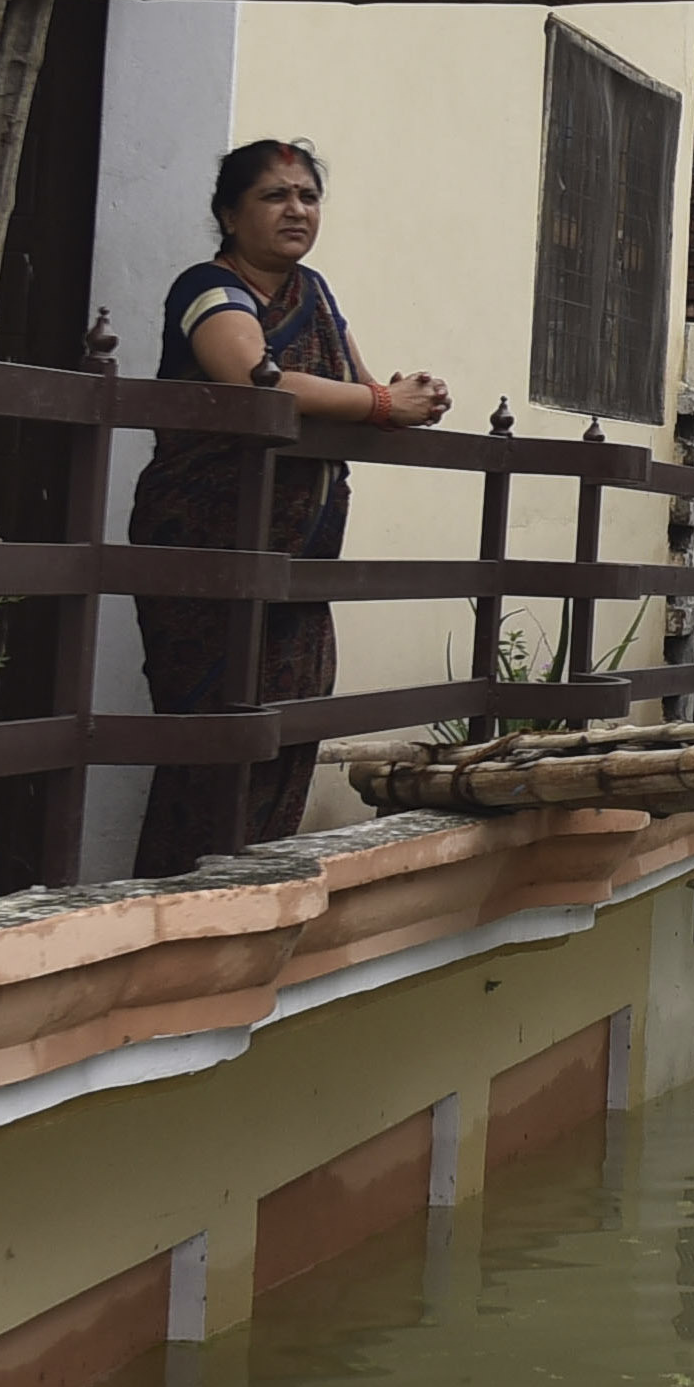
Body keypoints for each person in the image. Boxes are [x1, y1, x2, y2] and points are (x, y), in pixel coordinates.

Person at [127, 140, 449, 876]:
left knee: (289, 718)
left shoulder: (315, 294)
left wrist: (408, 399)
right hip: (206, 545)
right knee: (212, 729)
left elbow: (364, 392)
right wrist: (378, 403)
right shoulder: (207, 288)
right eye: (275, 196)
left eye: (307, 196)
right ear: (228, 214)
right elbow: (255, 377)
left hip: (301, 559)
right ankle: (181, 887)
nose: (296, 210)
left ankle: (256, 873)